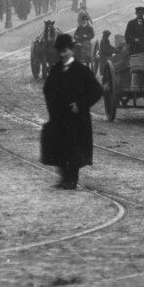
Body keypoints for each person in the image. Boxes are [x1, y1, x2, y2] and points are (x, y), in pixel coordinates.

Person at [42, 34, 103, 190]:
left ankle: (72, 180)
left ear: (71, 51)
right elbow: (47, 89)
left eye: (65, 51)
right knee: (60, 149)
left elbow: (97, 90)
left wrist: (80, 105)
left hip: (77, 120)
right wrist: (53, 107)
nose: (62, 54)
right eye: (60, 51)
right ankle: (64, 178)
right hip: (59, 118)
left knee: (74, 150)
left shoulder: (81, 70)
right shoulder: (56, 69)